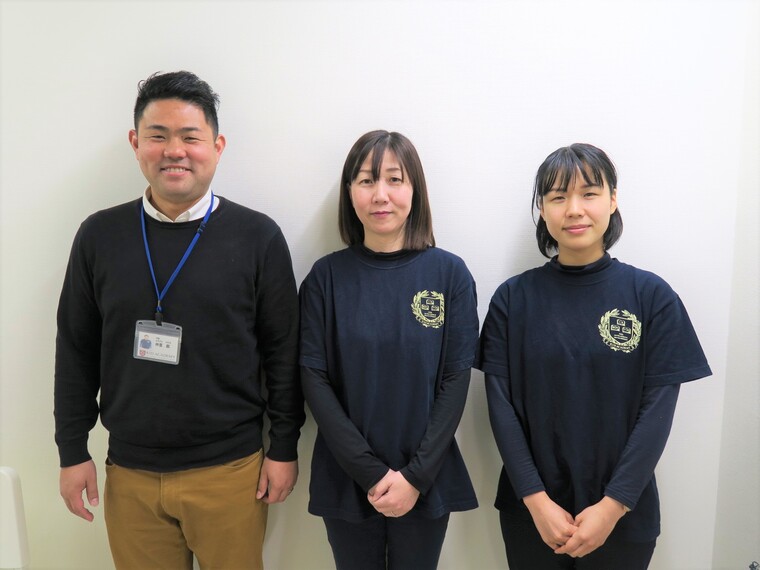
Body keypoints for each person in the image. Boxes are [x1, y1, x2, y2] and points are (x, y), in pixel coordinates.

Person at [54, 70, 304, 570]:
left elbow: (284, 353)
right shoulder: (99, 236)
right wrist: (72, 450)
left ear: (217, 146)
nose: (175, 151)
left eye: (190, 137)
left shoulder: (258, 237)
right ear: (136, 144)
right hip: (130, 473)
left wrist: (283, 447)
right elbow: (75, 349)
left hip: (230, 471)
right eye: (158, 136)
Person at [476, 143, 712, 570]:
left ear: (613, 199)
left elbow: (657, 413)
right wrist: (536, 500)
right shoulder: (512, 300)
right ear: (542, 209)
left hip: (623, 514)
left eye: (589, 193)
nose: (574, 209)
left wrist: (612, 506)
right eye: (558, 197)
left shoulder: (651, 297)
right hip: (532, 515)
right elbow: (500, 408)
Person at [299, 130, 479, 569]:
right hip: (346, 475)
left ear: (415, 190)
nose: (380, 194)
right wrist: (370, 472)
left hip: (426, 477)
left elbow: (456, 380)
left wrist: (415, 476)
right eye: (366, 180)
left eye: (395, 179)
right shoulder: (325, 279)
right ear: (350, 192)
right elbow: (314, 379)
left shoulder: (450, 275)